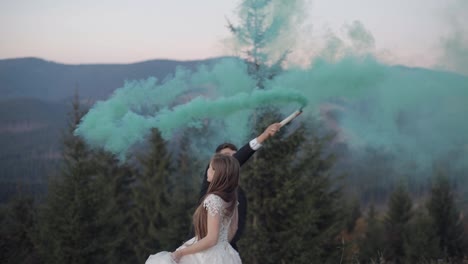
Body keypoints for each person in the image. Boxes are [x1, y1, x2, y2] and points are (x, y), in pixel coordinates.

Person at [197, 122, 282, 251]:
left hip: (225, 250)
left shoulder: (239, 194)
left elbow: (237, 227)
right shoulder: (210, 181)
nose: (231, 159)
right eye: (226, 157)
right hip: (199, 249)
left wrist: (223, 247)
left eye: (234, 155)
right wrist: (263, 136)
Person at [145, 154, 242, 264]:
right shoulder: (232, 199)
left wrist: (181, 253)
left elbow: (211, 238)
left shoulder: (214, 199)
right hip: (226, 254)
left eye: (210, 168)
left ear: (217, 174)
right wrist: (221, 246)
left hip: (208, 255)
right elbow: (233, 227)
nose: (207, 170)